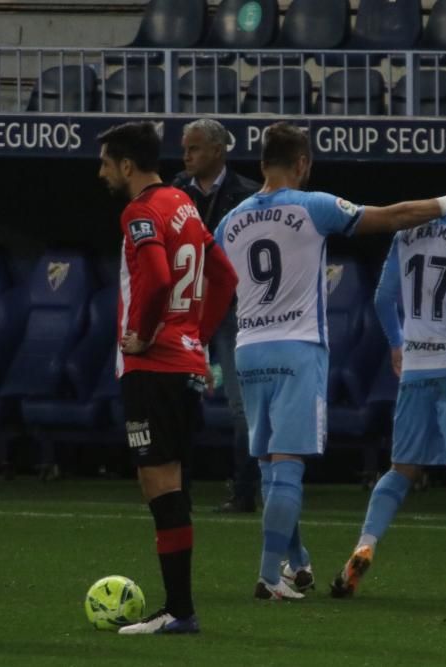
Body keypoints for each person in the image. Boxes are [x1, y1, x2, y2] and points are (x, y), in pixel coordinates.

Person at [215, 121, 446, 600]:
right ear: (302, 164)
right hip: (297, 347)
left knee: (267, 465)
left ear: (262, 163)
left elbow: (215, 287)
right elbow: (391, 216)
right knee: (287, 466)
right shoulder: (313, 206)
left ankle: (296, 564)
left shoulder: (229, 221)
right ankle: (267, 576)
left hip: (248, 348)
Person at [330, 175, 446, 600]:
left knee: (401, 469)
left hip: (417, 363)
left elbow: (383, 298)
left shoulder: (409, 228)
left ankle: (366, 543)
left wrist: (398, 345)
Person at [96, 121, 238, 635]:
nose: (103, 172)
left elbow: (155, 277)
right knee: (171, 483)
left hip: (152, 369)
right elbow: (224, 275)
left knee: (159, 486)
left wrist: (145, 331)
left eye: (107, 163)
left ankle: (179, 610)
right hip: (183, 365)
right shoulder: (185, 205)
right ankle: (180, 607)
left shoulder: (140, 211)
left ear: (128, 166)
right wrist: (194, 334)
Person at [172, 118, 261, 514]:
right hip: (184, 311)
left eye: (194, 149)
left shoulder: (247, 195)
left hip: (230, 313)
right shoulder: (174, 191)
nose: (186, 156)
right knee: (178, 403)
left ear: (218, 150)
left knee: (242, 408)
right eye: (185, 148)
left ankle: (244, 492)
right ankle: (177, 491)